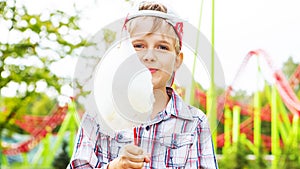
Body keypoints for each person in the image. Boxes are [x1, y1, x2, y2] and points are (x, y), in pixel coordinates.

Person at [68, 1, 218, 169]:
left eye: (162, 47)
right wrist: (114, 167)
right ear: (123, 54)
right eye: (138, 46)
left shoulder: (195, 123)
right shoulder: (97, 115)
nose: (149, 56)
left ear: (177, 60)